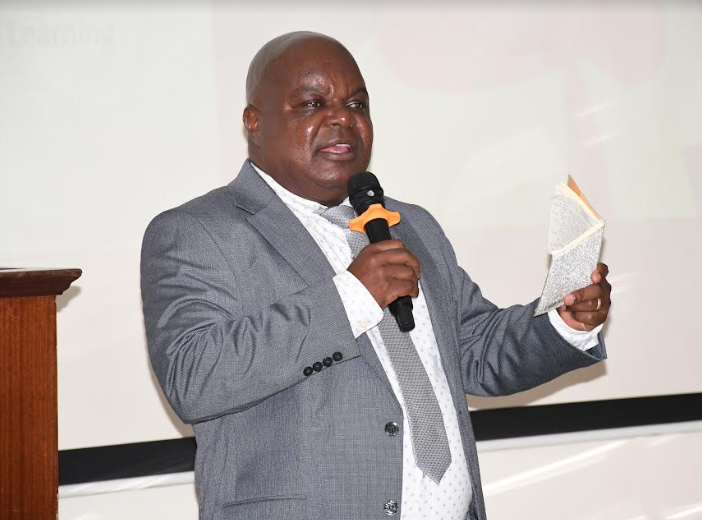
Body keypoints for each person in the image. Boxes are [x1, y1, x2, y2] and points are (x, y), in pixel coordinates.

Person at [141, 31, 612, 520]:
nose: (342, 118)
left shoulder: (410, 224)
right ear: (254, 123)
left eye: (356, 104)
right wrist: (352, 295)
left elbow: (473, 349)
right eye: (312, 103)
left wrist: (564, 321)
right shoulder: (198, 232)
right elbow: (194, 376)